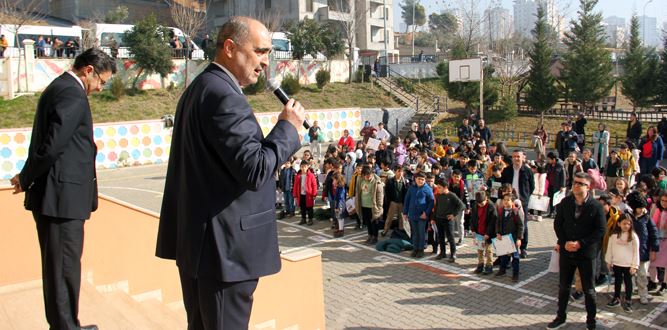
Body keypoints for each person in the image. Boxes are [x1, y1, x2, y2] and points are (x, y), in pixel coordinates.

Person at [155, 17, 306, 329]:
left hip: (203, 246)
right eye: (260, 51)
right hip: (224, 254)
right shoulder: (225, 96)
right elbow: (254, 169)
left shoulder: (202, 86)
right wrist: (287, 129)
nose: (265, 62)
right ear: (229, 48)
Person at [9, 48, 116, 330]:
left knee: (63, 268)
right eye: (101, 81)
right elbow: (52, 145)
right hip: (60, 200)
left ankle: (69, 324)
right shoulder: (71, 92)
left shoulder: (62, 88)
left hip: (60, 198)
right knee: (63, 269)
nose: (100, 88)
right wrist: (26, 176)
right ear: (88, 70)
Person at [548, 173, 606, 330]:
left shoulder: (596, 206)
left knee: (589, 290)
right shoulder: (565, 202)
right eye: (574, 182)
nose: (575, 185)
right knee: (564, 287)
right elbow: (558, 224)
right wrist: (563, 242)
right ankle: (561, 317)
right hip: (567, 252)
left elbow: (600, 230)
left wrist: (581, 243)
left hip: (586, 254)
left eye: (580, 183)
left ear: (588, 187)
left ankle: (591, 322)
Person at [625, 191, 660, 305]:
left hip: (643, 252)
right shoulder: (626, 216)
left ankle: (643, 294)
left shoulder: (647, 217)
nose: (641, 210)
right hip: (628, 252)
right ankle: (629, 294)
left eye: (642, 207)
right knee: (629, 276)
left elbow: (654, 233)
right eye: (638, 207)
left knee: (642, 275)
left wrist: (654, 249)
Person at [501, 150, 534, 258]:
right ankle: (507, 248)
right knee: (507, 224)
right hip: (508, 201)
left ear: (523, 158)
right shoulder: (507, 170)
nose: (516, 159)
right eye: (514, 156)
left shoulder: (527, 171)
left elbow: (532, 186)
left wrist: (525, 197)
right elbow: (502, 184)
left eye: (518, 157)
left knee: (522, 223)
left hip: (522, 201)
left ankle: (523, 247)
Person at [604, 214, 640, 312]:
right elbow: (610, 249)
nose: (626, 226)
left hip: (628, 265)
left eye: (629, 224)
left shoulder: (633, 236)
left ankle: (628, 300)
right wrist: (608, 261)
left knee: (628, 283)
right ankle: (616, 298)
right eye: (624, 223)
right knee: (617, 282)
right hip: (617, 263)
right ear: (619, 223)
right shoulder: (613, 235)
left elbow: (636, 251)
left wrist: (634, 265)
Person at [433, 179, 466, 262]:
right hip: (439, 218)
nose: (438, 189)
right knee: (440, 237)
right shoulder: (439, 195)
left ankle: (453, 254)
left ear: (445, 187)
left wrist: (453, 215)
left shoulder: (451, 195)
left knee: (450, 237)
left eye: (440, 188)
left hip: (447, 220)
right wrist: (434, 218)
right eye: (438, 187)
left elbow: (461, 205)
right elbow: (436, 207)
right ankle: (442, 253)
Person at [403, 172, 434, 258]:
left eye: (422, 179)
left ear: (425, 180)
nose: (420, 181)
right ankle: (415, 248)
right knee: (415, 233)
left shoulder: (427, 189)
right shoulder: (411, 188)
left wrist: (426, 213)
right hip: (412, 215)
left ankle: (421, 250)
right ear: (415, 179)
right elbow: (407, 200)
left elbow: (431, 202)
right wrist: (405, 213)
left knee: (421, 233)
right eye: (418, 179)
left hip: (422, 215)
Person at [495, 192, 523, 282]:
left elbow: (521, 226)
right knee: (503, 256)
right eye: (504, 200)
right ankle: (502, 270)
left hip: (513, 238)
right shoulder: (501, 210)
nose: (506, 202)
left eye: (508, 200)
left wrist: (519, 238)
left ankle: (515, 274)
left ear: (512, 202)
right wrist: (498, 233)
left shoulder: (516, 211)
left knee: (515, 258)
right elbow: (498, 223)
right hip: (504, 237)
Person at [355, 165, 384, 244]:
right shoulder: (360, 180)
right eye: (366, 175)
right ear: (363, 175)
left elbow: (380, 196)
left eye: (370, 175)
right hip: (364, 205)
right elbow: (358, 192)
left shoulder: (377, 182)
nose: (368, 177)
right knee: (368, 222)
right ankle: (370, 235)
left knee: (374, 222)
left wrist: (379, 207)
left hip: (373, 206)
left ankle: (375, 237)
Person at [471, 191, 497, 274]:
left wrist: (488, 233)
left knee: (488, 250)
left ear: (486, 198)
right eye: (478, 203)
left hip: (487, 233)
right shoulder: (475, 205)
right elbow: (473, 218)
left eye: (481, 203)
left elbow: (492, 222)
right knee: (480, 249)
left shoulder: (491, 207)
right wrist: (473, 230)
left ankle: (489, 266)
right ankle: (480, 264)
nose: (480, 205)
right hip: (479, 231)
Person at [381, 165, 408, 236]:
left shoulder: (405, 181)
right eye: (399, 171)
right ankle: (385, 230)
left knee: (401, 218)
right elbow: (387, 192)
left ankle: (401, 231)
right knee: (389, 217)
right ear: (395, 172)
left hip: (401, 202)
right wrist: (389, 202)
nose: (400, 173)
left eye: (402, 171)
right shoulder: (390, 181)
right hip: (393, 202)